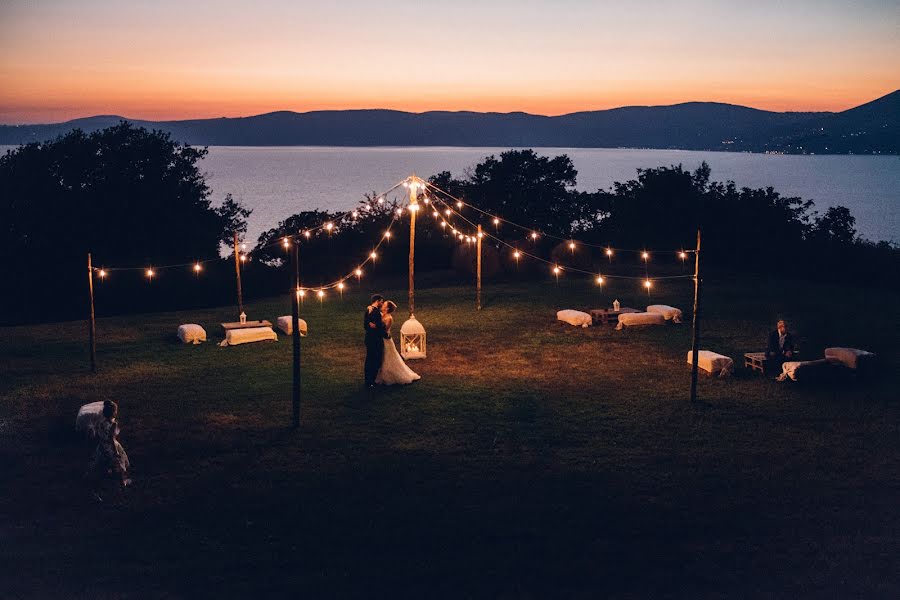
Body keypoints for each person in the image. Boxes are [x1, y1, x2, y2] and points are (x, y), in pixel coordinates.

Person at [88, 400, 131, 500]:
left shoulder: (101, 422)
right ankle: (122, 485)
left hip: (102, 447)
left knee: (102, 466)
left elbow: (98, 435)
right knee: (119, 465)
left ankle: (96, 489)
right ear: (113, 412)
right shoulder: (113, 424)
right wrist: (115, 451)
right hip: (111, 448)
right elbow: (111, 439)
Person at [375, 301, 421, 385]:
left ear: (387, 308)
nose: (382, 305)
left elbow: (385, 330)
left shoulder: (389, 318)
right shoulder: (381, 314)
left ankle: (390, 375)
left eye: (384, 304)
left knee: (388, 357)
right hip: (380, 338)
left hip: (386, 340)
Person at [364, 294, 388, 388]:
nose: (382, 304)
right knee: (375, 360)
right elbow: (377, 327)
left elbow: (365, 325)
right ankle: (371, 381)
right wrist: (380, 327)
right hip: (375, 340)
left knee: (369, 360)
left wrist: (374, 326)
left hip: (369, 339)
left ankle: (368, 380)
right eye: (381, 302)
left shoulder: (368, 310)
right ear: (377, 301)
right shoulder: (376, 312)